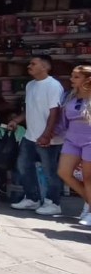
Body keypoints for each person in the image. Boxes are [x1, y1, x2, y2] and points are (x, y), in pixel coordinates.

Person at [6, 55, 64, 214]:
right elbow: (29, 108)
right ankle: (32, 198)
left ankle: (53, 203)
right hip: (30, 135)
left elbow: (55, 112)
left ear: (45, 67)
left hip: (49, 138)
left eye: (33, 64)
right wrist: (16, 120)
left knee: (49, 170)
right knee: (23, 166)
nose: (29, 66)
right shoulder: (30, 85)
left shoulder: (53, 85)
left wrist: (47, 134)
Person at [56, 65, 91, 224]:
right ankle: (89, 201)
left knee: (88, 178)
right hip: (72, 139)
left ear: (87, 79)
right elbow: (62, 120)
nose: (72, 79)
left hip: (89, 139)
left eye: (76, 77)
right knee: (64, 172)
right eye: (72, 76)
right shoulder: (69, 96)